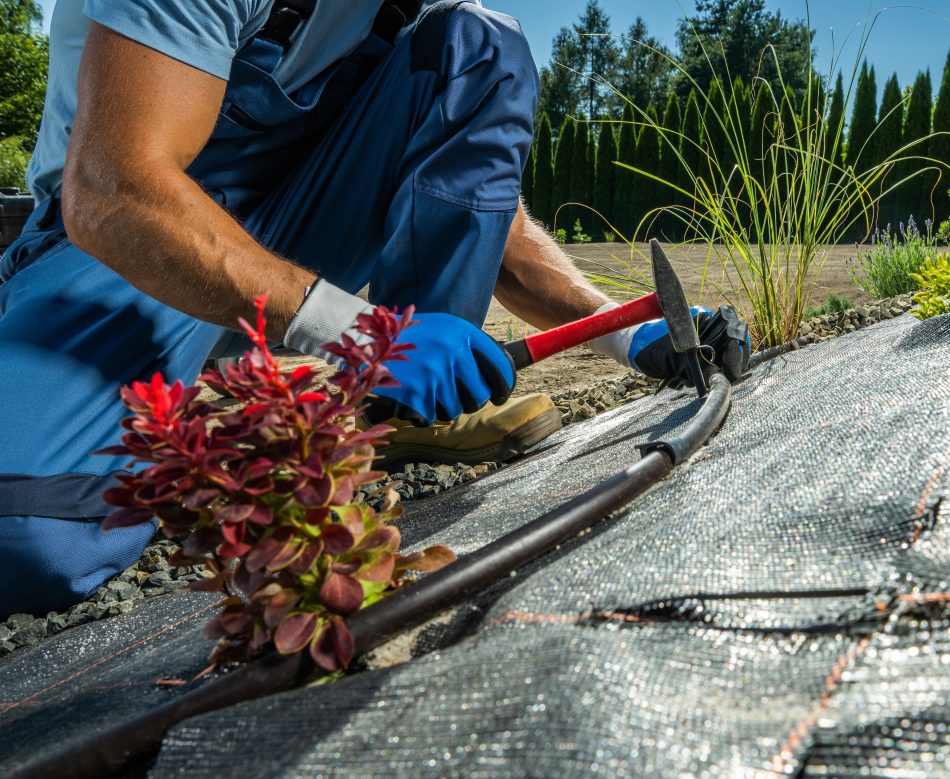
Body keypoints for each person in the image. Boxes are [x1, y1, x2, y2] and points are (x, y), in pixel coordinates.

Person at [0, 0, 750, 617]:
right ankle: (229, 408)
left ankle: (405, 414)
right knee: (31, 538)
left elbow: (476, 208)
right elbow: (111, 191)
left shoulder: (417, 12)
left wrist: (628, 328)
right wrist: (362, 332)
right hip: (118, 249)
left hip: (288, 231)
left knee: (481, 49)